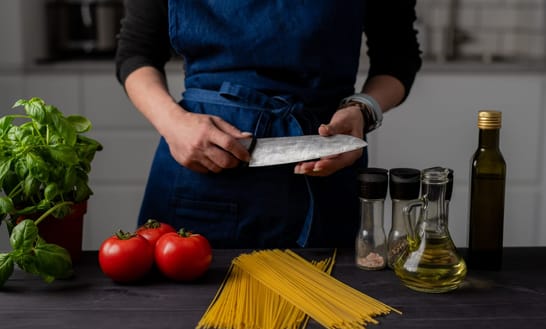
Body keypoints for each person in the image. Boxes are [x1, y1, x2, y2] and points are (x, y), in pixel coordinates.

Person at [115, 0, 422, 249]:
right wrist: (173, 123)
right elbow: (136, 52)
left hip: (326, 169)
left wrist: (363, 110)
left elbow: (398, 59)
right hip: (203, 171)